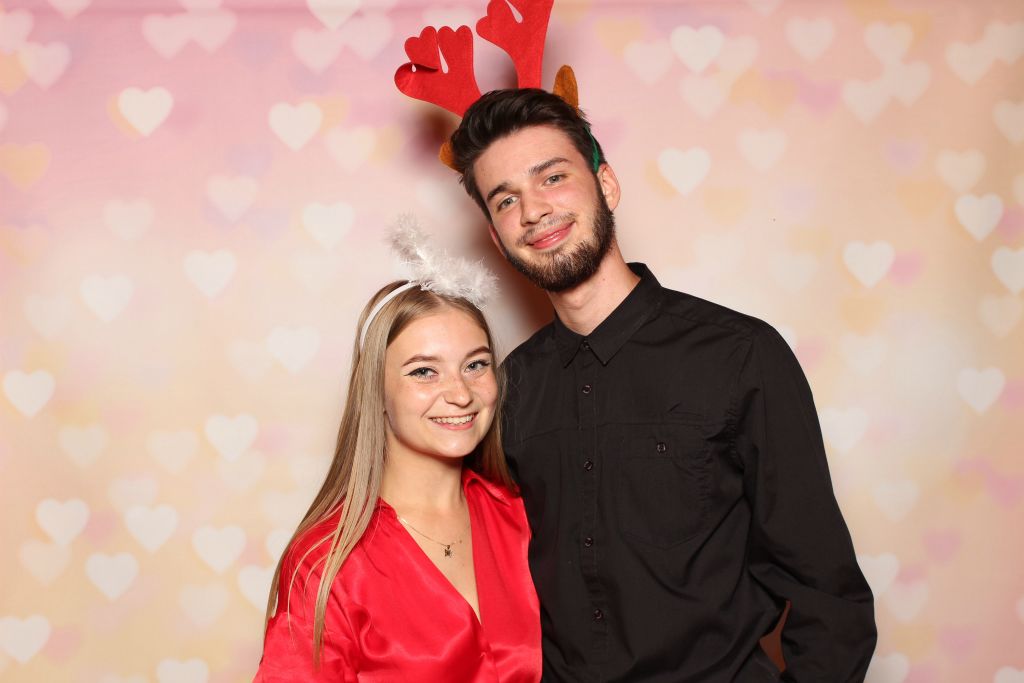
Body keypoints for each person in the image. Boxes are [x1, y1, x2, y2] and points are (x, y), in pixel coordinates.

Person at [445, 89, 877, 681]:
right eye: (506, 199)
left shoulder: (740, 355)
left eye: (553, 178)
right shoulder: (506, 389)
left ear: (606, 185)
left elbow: (828, 595)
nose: (534, 210)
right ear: (496, 236)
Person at [255, 226, 541, 682]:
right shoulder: (325, 561)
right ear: (377, 392)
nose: (460, 394)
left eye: (475, 364)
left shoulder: (522, 516)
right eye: (424, 371)